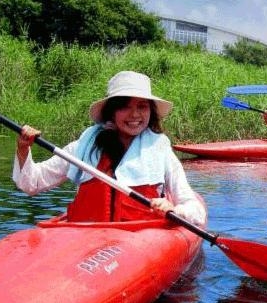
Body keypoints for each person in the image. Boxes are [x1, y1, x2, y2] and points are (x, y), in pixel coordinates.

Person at [13, 71, 206, 225]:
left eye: (142, 106)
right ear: (112, 111)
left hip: (139, 239)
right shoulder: (84, 147)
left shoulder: (160, 150)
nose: (134, 115)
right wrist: (23, 148)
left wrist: (174, 210)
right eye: (124, 106)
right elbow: (32, 183)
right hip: (87, 238)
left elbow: (194, 208)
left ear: (150, 111)